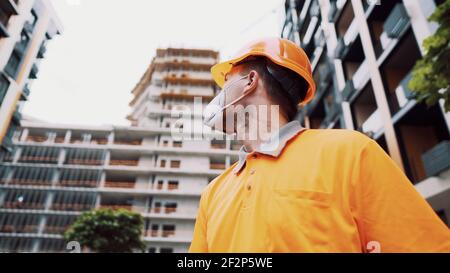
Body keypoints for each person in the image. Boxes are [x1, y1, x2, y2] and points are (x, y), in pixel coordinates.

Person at [190, 37, 450, 253]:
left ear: (250, 81)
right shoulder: (213, 193)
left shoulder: (350, 153)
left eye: (226, 82)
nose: (220, 94)